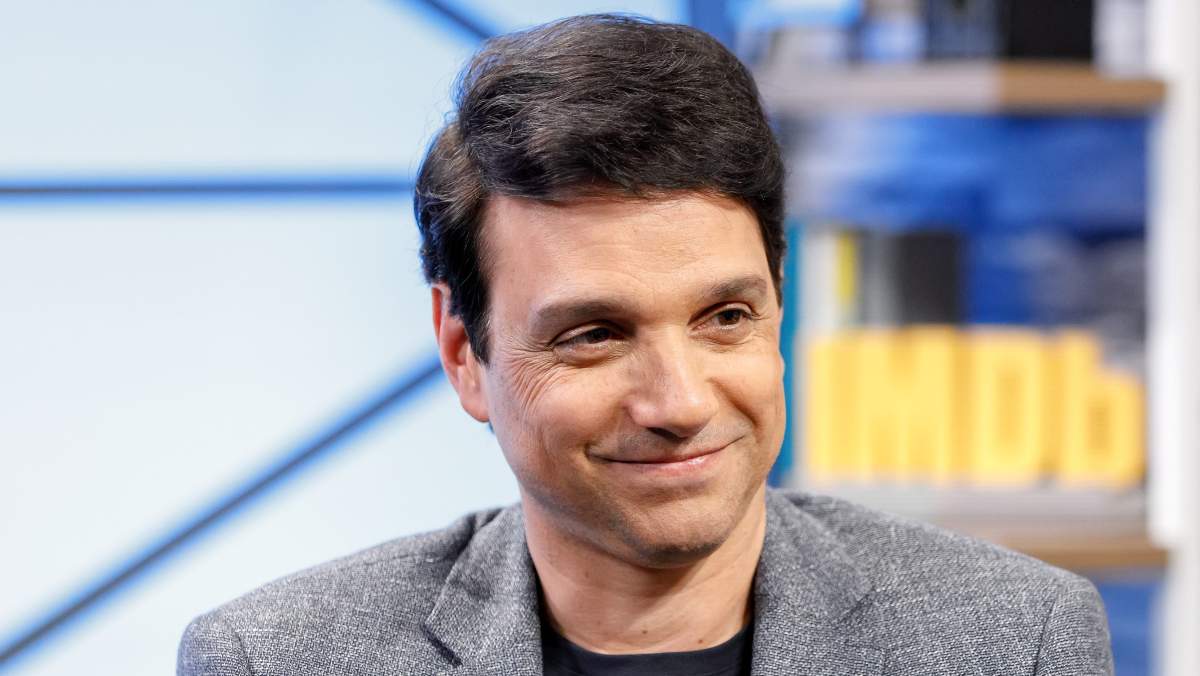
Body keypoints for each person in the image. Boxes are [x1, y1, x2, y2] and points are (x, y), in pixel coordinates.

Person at [178, 14, 1113, 676]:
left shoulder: (1013, 642)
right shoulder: (278, 660)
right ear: (464, 352)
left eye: (725, 318)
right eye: (594, 335)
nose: (681, 402)